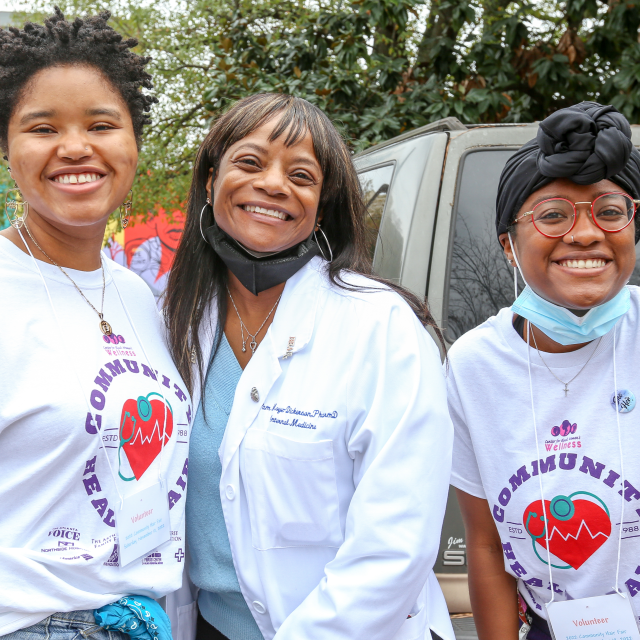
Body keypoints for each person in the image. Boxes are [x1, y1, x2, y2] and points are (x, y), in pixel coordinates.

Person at [163, 93, 454, 640]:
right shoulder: (176, 321)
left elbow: (395, 541)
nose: (273, 184)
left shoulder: (381, 325)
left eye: (301, 175)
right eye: (249, 163)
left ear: (321, 207)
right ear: (209, 181)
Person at [0, 10, 191, 638]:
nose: (76, 146)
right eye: (43, 127)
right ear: (7, 150)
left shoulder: (135, 292)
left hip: (140, 617)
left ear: (134, 144)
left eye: (101, 124)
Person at [447, 102, 640, 639]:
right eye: (553, 214)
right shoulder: (472, 367)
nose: (585, 234)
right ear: (509, 246)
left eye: (609, 210)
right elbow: (485, 545)